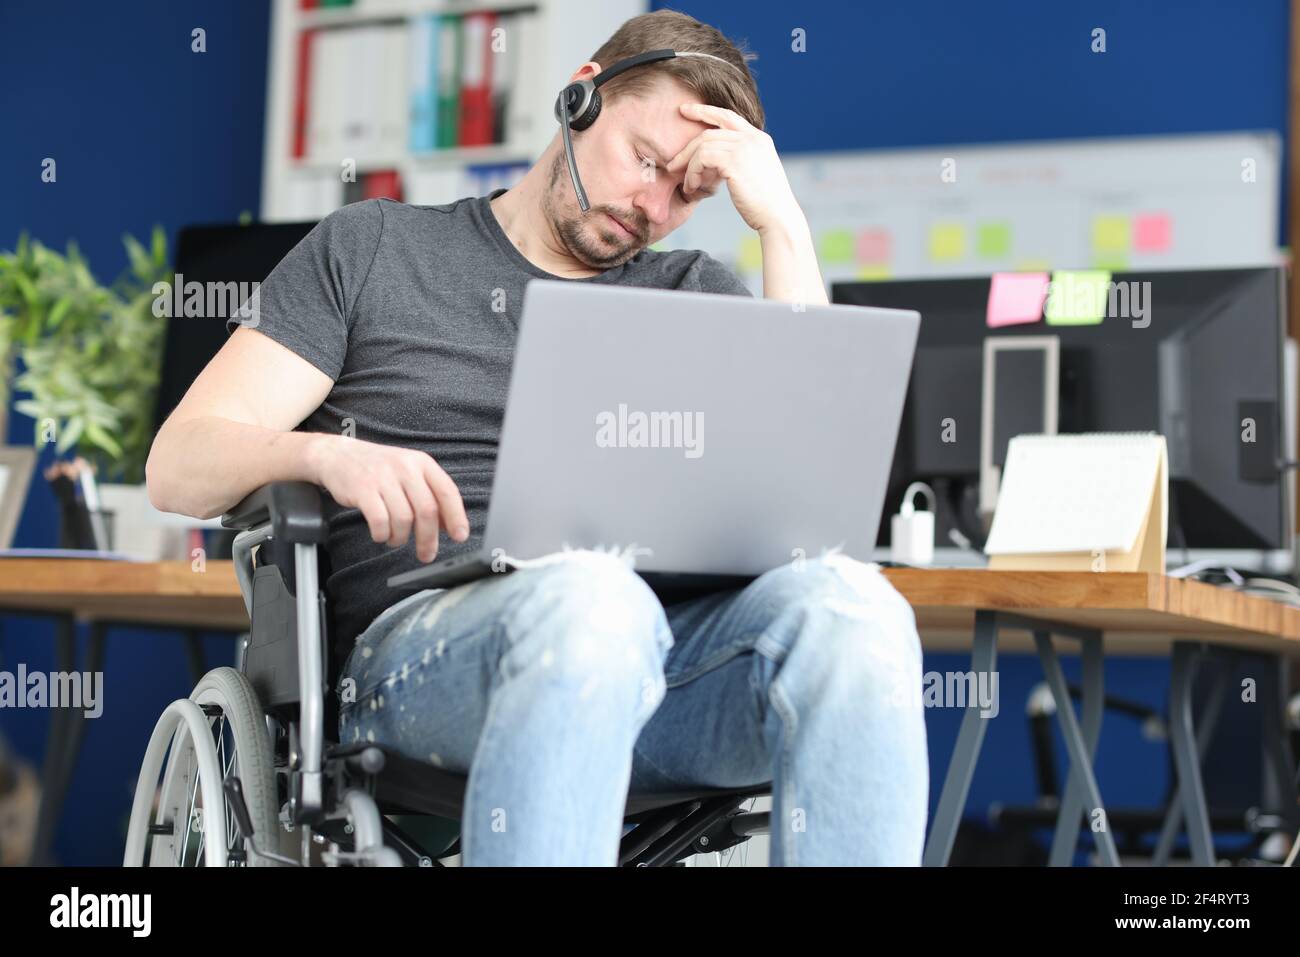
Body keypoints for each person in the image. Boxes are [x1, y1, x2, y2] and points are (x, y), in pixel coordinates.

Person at [146, 9, 927, 866]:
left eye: (687, 193)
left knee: (859, 613)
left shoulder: (692, 291)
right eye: (646, 162)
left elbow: (809, 508)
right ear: (580, 97)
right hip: (421, 663)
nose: (653, 206)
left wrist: (782, 224)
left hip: (658, 669)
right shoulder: (375, 247)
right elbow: (179, 463)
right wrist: (324, 453)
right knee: (593, 600)